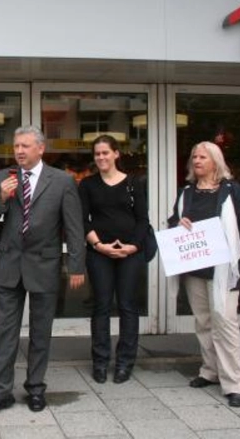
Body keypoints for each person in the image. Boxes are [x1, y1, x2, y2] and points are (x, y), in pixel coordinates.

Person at [0, 126, 85, 416]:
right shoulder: (4, 177)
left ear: (41, 149)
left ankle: (35, 388)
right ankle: (0, 393)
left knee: (41, 332)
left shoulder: (62, 181)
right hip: (9, 266)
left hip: (44, 266)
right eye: (16, 146)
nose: (20, 151)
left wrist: (76, 264)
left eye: (26, 146)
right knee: (5, 334)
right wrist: (1, 196)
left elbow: (74, 228)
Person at [168, 141, 240, 408]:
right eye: (194, 156)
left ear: (215, 160)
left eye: (202, 156)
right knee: (203, 322)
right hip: (195, 268)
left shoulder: (232, 191)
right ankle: (210, 371)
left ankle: (236, 383)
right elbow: (174, 221)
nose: (196, 160)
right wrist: (176, 223)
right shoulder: (187, 192)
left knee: (225, 324)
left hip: (225, 269)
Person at [78, 135, 148, 384]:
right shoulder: (87, 185)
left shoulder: (133, 183)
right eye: (97, 154)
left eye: (105, 153)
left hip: (130, 253)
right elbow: (82, 220)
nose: (101, 158)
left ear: (116, 154)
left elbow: (142, 220)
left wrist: (132, 247)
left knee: (128, 306)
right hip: (100, 253)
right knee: (101, 306)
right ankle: (100, 361)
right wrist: (98, 245)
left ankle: (125, 362)